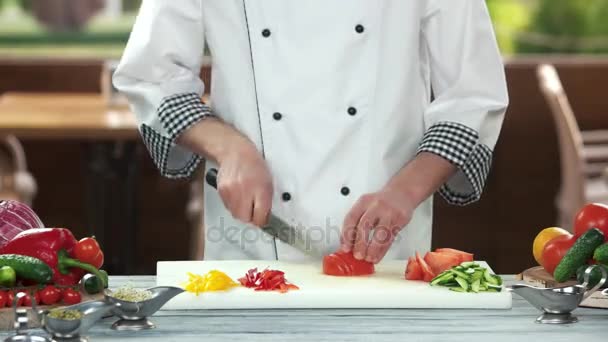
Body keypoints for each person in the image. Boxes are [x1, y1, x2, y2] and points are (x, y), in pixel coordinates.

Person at [114, 0, 508, 263]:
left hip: (386, 242)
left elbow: (473, 95)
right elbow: (152, 76)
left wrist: (405, 191)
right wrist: (230, 148)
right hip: (253, 245)